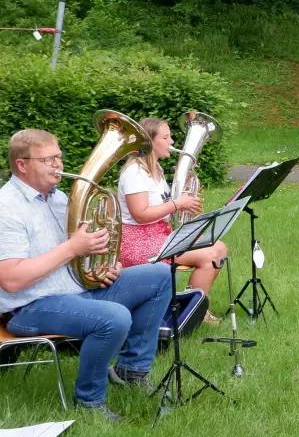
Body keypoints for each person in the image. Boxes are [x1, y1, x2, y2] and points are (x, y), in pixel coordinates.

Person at [0, 129, 174, 420]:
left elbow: (76, 254)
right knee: (114, 317)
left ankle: (132, 371)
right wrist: (73, 247)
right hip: (30, 306)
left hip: (75, 291)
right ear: (22, 164)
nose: (58, 165)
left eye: (59, 157)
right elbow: (11, 279)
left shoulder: (58, 199)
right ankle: (89, 402)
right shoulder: (6, 207)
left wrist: (102, 265)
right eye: (48, 160)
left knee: (160, 275)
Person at [117, 117, 226, 325]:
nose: (172, 142)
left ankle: (193, 305)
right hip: (138, 242)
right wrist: (177, 204)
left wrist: (186, 206)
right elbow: (141, 214)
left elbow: (163, 207)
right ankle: (192, 312)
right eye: (166, 137)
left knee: (219, 247)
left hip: (159, 234)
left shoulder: (155, 170)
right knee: (210, 255)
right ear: (149, 141)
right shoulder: (134, 173)